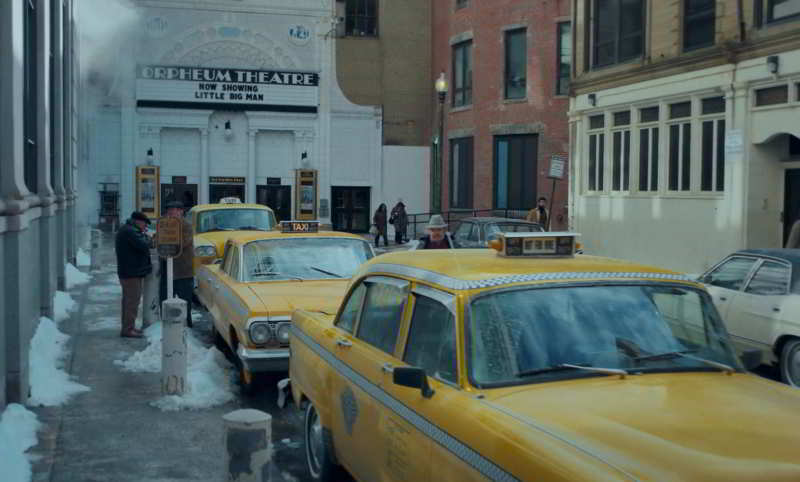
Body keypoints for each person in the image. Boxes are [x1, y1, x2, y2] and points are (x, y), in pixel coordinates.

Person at [115, 211, 153, 338]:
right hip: (131, 273)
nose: (145, 227)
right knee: (132, 302)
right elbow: (144, 245)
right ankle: (128, 329)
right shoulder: (130, 232)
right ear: (138, 221)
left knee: (128, 301)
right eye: (144, 224)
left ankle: (128, 327)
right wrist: (150, 238)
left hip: (129, 272)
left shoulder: (128, 230)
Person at [159, 201, 195, 327]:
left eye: (173, 210)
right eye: (168, 210)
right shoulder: (163, 224)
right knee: (164, 298)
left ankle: (187, 325)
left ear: (181, 211)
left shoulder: (186, 225)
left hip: (182, 270)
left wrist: (167, 244)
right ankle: (165, 324)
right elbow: (157, 241)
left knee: (185, 301)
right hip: (166, 268)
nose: (170, 212)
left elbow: (183, 242)